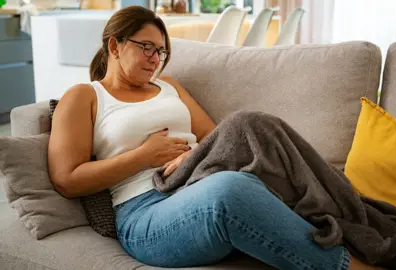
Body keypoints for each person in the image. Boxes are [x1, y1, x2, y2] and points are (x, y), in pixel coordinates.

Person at [48, 6, 377, 270]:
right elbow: (67, 179)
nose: (154, 58)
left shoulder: (170, 86)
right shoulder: (84, 97)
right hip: (145, 213)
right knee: (230, 191)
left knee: (252, 155)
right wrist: (144, 156)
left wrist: (190, 159)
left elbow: (216, 136)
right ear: (114, 46)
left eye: (160, 52)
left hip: (197, 179)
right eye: (146, 47)